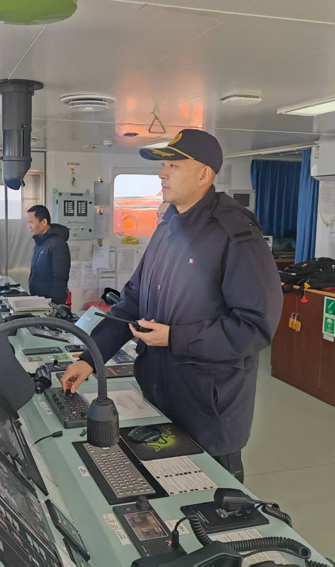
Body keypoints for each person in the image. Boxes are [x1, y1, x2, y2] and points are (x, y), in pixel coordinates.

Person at [61, 129, 282, 483]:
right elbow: (132, 302)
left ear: (204, 174)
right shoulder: (167, 229)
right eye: (163, 165)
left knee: (207, 498)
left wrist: (175, 337)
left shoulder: (235, 235)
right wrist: (91, 359)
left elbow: (254, 327)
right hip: (159, 396)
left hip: (208, 408)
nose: (162, 173)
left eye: (174, 165)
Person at [26, 204, 71, 305]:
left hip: (50, 304)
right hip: (39, 301)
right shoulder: (40, 242)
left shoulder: (58, 244)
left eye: (31, 222)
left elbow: (60, 279)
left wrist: (53, 306)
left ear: (44, 222)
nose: (29, 227)